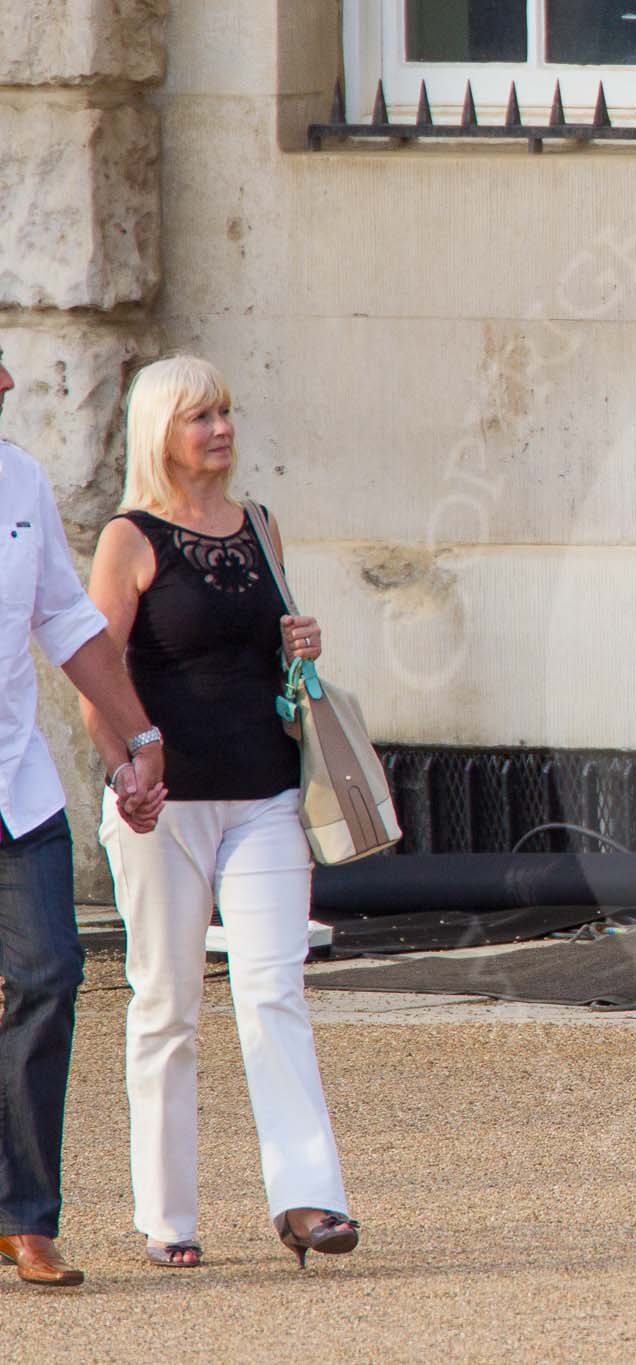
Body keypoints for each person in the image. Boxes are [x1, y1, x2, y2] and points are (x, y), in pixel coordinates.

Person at [82, 355, 358, 1269]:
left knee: (273, 987)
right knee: (165, 1005)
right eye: (201, 416)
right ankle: (168, 1218)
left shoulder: (262, 526)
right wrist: (127, 770)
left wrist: (303, 643)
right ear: (162, 429)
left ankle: (310, 1199)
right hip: (165, 803)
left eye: (227, 412)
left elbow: (274, 657)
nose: (221, 429)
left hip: (268, 792)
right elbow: (97, 674)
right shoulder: (129, 537)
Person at [0, 347, 167, 1287]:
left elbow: (66, 620)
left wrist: (137, 740)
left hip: (16, 785)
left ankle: (25, 1217)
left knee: (52, 974)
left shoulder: (20, 478)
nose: (9, 386)